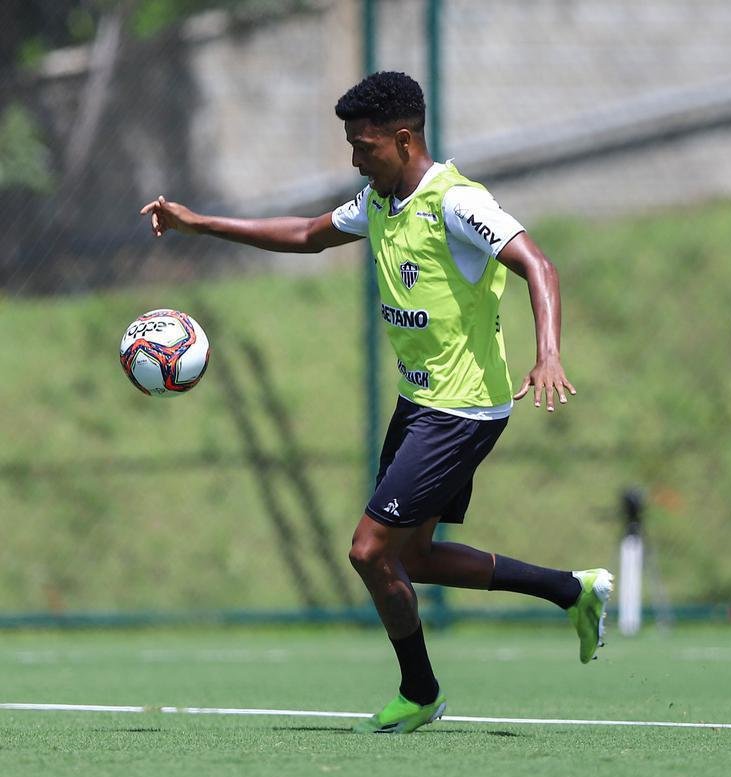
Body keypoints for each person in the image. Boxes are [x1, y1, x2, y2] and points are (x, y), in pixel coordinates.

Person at [141, 71, 613, 735]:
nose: (354, 158)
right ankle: (572, 590)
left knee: (368, 551)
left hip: (463, 409)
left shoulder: (456, 201)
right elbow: (307, 234)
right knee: (410, 557)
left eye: (363, 146)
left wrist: (549, 352)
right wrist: (200, 225)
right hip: (419, 401)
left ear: (402, 138)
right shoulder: (379, 202)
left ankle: (419, 692)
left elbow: (539, 265)